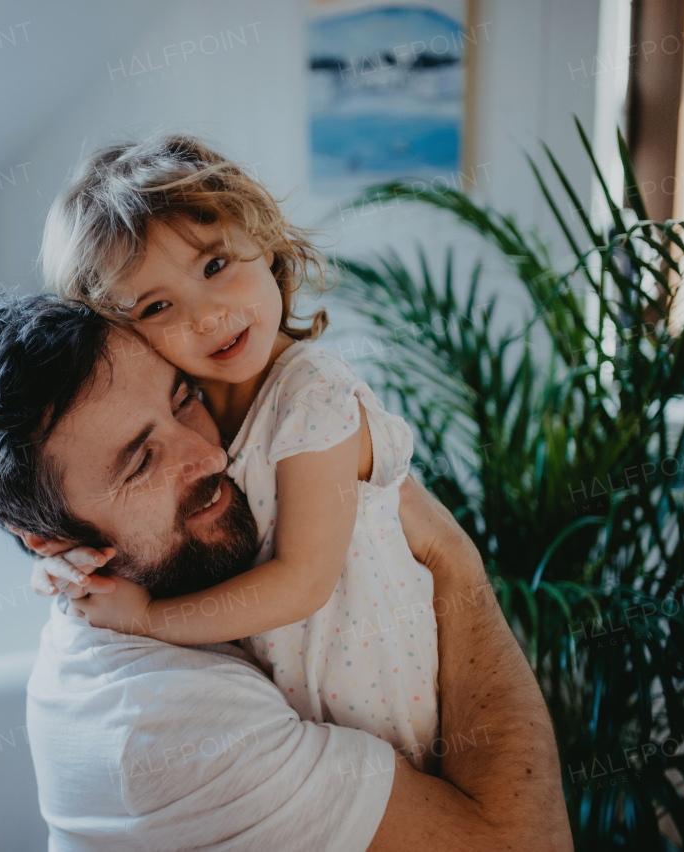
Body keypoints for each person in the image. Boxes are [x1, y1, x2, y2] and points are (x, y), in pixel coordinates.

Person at [0, 290, 571, 850]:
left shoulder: (164, 570)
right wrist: (455, 564)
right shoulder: (160, 729)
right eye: (141, 462)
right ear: (50, 541)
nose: (207, 455)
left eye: (185, 397)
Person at [32, 134, 436, 767]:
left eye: (215, 266)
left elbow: (302, 582)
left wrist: (146, 618)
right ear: (120, 338)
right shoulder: (194, 414)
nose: (207, 315)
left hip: (386, 704)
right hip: (301, 716)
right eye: (157, 305)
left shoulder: (311, 393)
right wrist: (69, 561)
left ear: (264, 238)